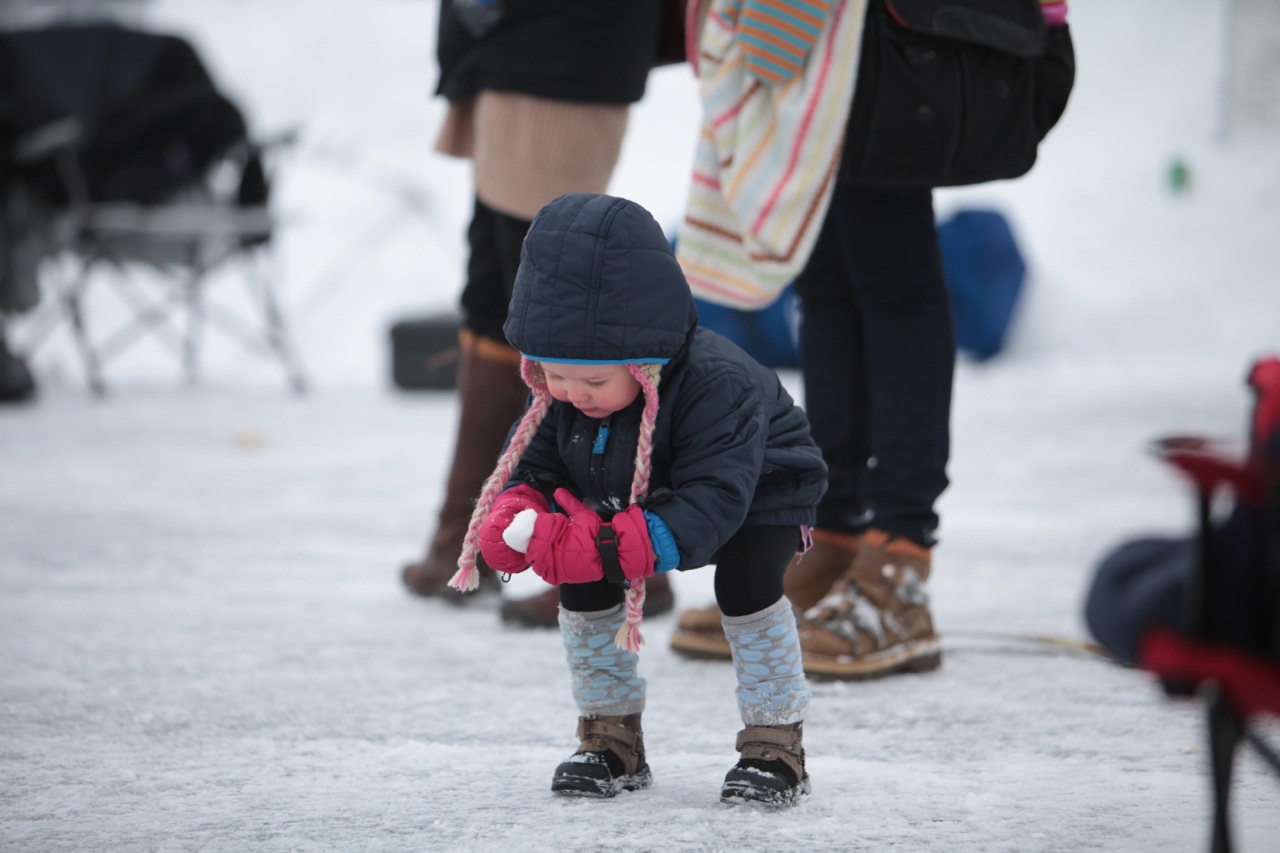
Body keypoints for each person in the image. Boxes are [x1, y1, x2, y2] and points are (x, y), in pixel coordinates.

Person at [450, 192, 828, 806]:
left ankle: (775, 743)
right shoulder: (562, 392)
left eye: (594, 381)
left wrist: (605, 542)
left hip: (759, 489)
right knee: (583, 582)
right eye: (554, 375)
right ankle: (609, 738)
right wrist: (516, 510)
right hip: (628, 484)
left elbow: (711, 505)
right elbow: (540, 466)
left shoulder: (717, 384)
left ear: (644, 360)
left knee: (746, 583)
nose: (574, 394)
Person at [399, 0, 678, 625]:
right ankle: (470, 531)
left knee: (562, 311)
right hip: (508, 47)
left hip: (559, 46)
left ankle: (611, 552)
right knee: (495, 298)